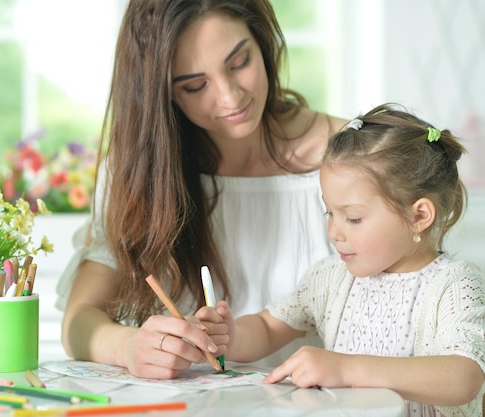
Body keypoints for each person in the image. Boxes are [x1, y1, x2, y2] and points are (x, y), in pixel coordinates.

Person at [56, 0, 347, 379]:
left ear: (263, 44)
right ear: (165, 94)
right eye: (195, 85)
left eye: (240, 63)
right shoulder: (141, 172)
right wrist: (129, 346)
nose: (230, 98)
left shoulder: (354, 156)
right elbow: (78, 321)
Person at [197, 103, 485, 416]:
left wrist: (348, 370)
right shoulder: (331, 278)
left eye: (353, 218)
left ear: (418, 216)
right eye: (329, 213)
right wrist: (231, 336)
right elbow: (268, 328)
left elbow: (464, 377)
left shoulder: (453, 286)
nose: (334, 231)